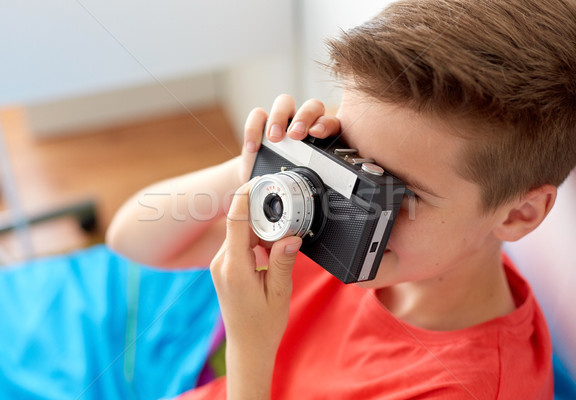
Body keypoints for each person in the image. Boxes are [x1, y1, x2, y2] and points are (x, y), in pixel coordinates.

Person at [106, 0, 576, 398]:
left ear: (519, 214)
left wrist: (251, 352)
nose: (351, 197)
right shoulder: (328, 209)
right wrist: (254, 169)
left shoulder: (464, 385)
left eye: (398, 191)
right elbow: (131, 240)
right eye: (350, 157)